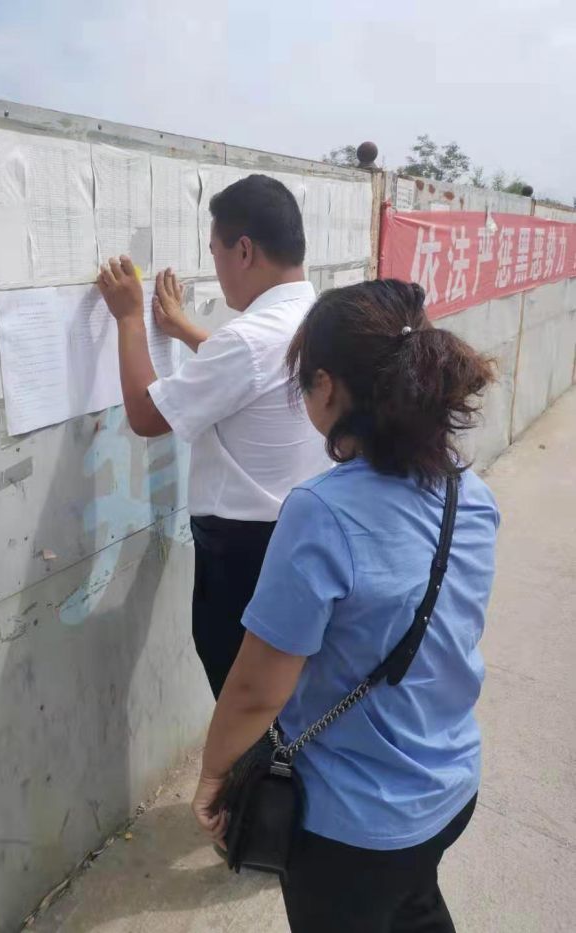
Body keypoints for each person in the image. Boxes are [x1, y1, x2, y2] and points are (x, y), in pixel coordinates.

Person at [192, 279, 500, 932]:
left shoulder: (321, 512)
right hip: (450, 786)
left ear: (327, 388)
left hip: (354, 827)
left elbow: (255, 689)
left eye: (302, 383)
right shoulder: (469, 493)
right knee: (413, 901)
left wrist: (214, 775)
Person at [97, 174, 330, 698]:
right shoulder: (319, 316)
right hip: (302, 536)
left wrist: (130, 318)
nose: (217, 267)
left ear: (244, 250)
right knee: (287, 691)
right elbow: (256, 376)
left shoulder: (247, 340)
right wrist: (183, 329)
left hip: (245, 555)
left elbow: (147, 416)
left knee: (244, 696)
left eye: (215, 252)